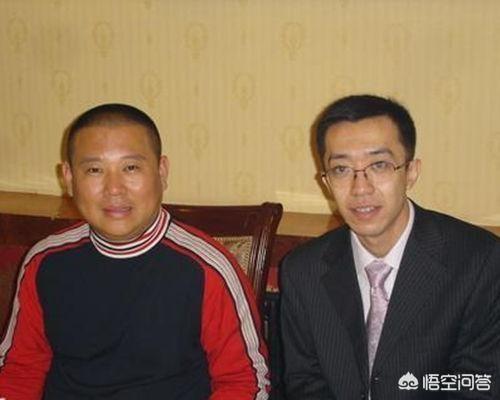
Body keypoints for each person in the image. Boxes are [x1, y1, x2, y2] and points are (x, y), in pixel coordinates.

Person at [0, 103, 270, 399]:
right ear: (69, 178)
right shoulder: (44, 261)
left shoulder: (207, 269)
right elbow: (19, 370)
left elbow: (245, 382)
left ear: (161, 172)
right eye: (94, 170)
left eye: (131, 168)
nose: (114, 188)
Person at [280, 94, 500, 399]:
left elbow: (478, 386)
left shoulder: (479, 262)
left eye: (379, 165)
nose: (360, 188)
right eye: (341, 169)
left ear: (411, 172)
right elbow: (304, 384)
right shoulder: (303, 271)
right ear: (326, 182)